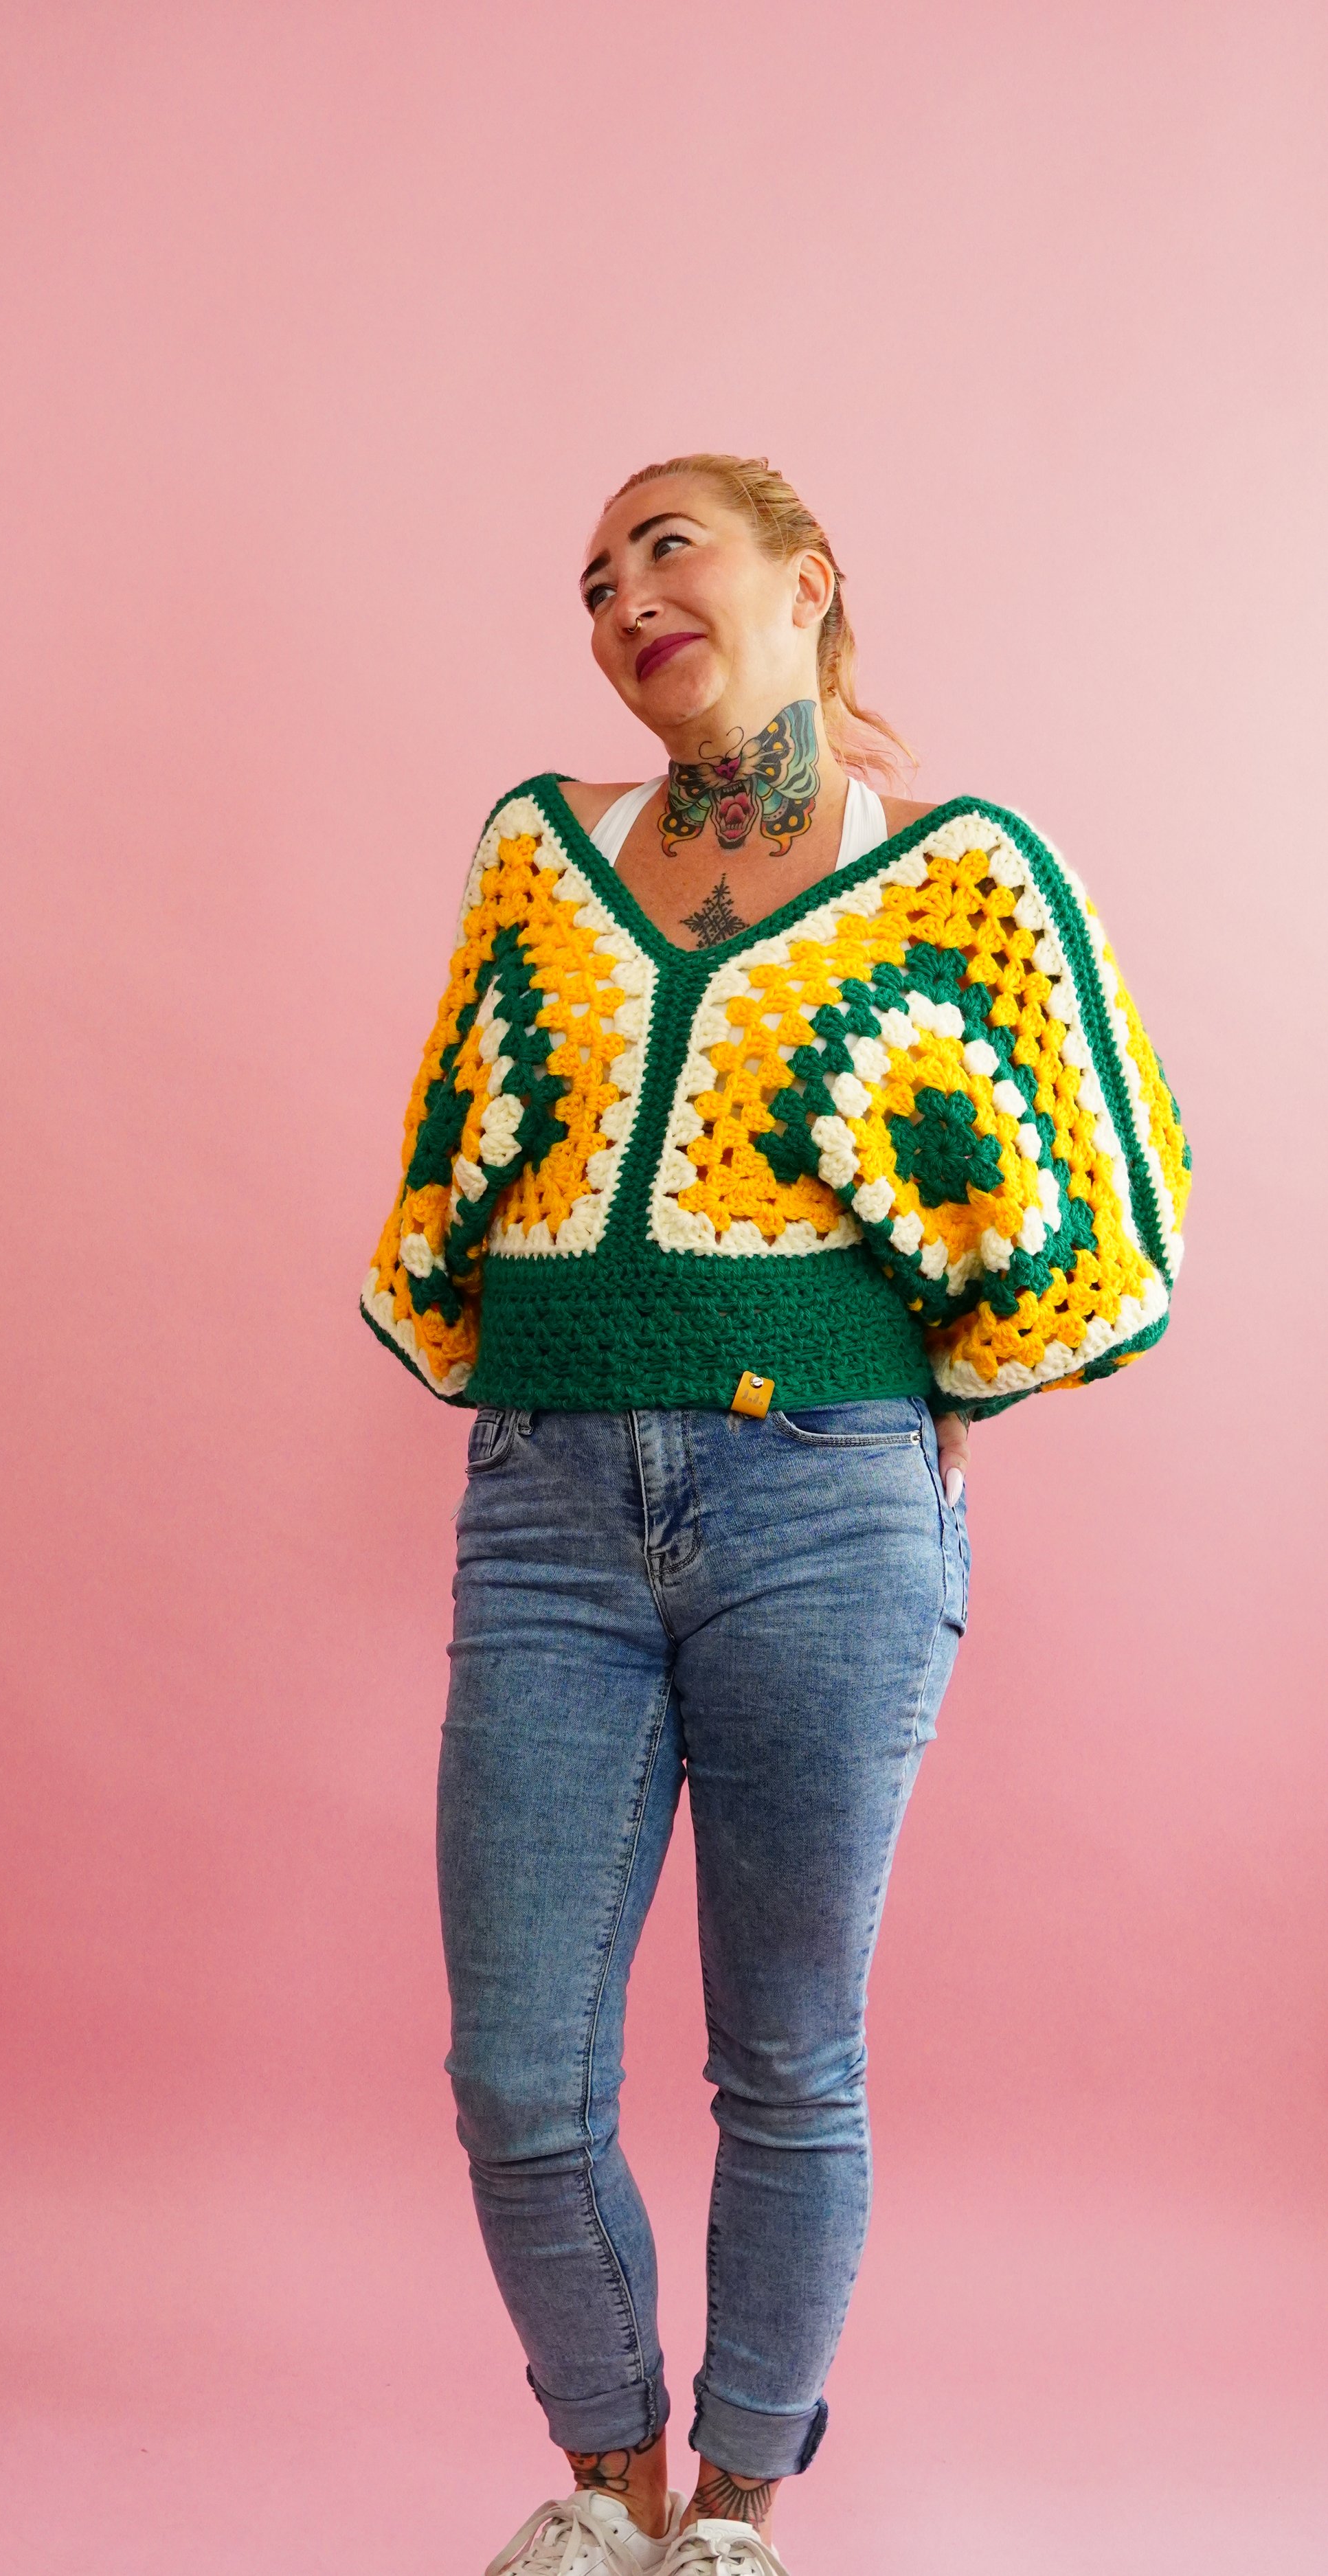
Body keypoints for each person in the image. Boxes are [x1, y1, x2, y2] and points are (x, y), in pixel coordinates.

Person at [361, 454, 1190, 2576]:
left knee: (786, 2059)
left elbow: (1094, 1176)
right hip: (546, 1508)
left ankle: (731, 2517)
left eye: (669, 547)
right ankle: (607, 2489)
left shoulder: (960, 873)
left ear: (801, 581)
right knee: (516, 2068)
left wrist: (940, 1401)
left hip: (823, 1503)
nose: (623, 596)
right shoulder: (538, 853)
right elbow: (464, 1135)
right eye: (590, 579)